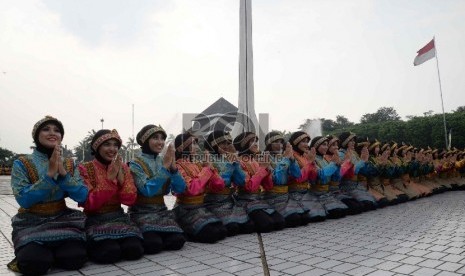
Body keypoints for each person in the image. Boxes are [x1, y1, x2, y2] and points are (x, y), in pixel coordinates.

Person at [8, 116, 88, 275]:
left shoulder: (70, 164)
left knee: (75, 258)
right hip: (31, 222)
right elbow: (23, 199)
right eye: (46, 129)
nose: (52, 133)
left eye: (57, 130)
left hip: (63, 220)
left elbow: (82, 196)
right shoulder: (22, 163)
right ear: (36, 135)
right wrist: (50, 175)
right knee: (34, 263)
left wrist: (64, 174)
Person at [79, 129, 143, 264]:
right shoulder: (85, 168)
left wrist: (121, 182)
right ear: (97, 147)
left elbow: (130, 200)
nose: (112, 149)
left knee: (134, 250)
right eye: (107, 144)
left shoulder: (123, 168)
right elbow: (89, 204)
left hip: (119, 217)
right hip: (95, 219)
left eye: (115, 145)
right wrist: (108, 181)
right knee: (110, 252)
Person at [128, 125, 186, 253]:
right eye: (155, 138)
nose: (160, 142)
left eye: (162, 138)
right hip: (141, 213)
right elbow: (147, 191)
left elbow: (180, 189)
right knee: (153, 244)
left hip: (161, 212)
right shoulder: (135, 164)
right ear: (144, 141)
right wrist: (165, 168)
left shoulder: (163, 161)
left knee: (177, 241)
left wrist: (174, 169)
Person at [173, 132, 227, 243]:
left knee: (222, 231)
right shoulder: (178, 166)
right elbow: (192, 189)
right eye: (193, 144)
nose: (197, 147)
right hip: (186, 209)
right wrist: (207, 169)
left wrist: (210, 169)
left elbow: (219, 186)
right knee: (212, 235)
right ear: (183, 147)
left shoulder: (197, 165)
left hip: (200, 208)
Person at [204, 131, 255, 236]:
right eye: (223, 143)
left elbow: (241, 181)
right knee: (233, 228)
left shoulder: (228, 159)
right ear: (214, 144)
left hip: (229, 201)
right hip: (213, 202)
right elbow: (219, 183)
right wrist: (230, 166)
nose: (227, 146)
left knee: (250, 226)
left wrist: (236, 164)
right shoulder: (208, 161)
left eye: (228, 143)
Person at [233, 132, 285, 232]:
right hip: (245, 200)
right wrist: (262, 169)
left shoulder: (256, 161)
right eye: (251, 141)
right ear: (244, 144)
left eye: (256, 141)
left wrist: (267, 171)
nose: (255, 144)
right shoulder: (239, 162)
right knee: (267, 225)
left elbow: (268, 186)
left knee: (280, 222)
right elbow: (249, 187)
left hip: (259, 199)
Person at [262, 131, 306, 227]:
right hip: (272, 197)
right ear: (269, 144)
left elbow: (297, 175)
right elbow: (276, 179)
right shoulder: (264, 157)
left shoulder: (283, 156)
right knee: (294, 220)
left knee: (305, 218)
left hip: (286, 196)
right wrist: (285, 159)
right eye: (276, 142)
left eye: (281, 142)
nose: (280, 145)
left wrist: (292, 160)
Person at [288, 131, 326, 222]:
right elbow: (298, 178)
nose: (306, 144)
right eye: (303, 141)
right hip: (294, 193)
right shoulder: (290, 156)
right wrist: (310, 163)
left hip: (306, 192)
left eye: (307, 142)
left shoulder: (305, 156)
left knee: (321, 215)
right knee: (302, 219)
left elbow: (312, 178)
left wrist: (313, 164)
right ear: (296, 143)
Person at [310, 135, 349, 218]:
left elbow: (336, 179)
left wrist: (338, 167)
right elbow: (320, 175)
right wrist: (334, 164)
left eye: (327, 145)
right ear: (316, 146)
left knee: (346, 210)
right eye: (323, 144)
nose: (326, 147)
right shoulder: (313, 159)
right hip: (317, 193)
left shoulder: (325, 159)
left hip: (328, 193)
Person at [338, 132, 377, 211]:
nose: (353, 143)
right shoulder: (341, 154)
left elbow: (363, 171)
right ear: (345, 142)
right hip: (346, 186)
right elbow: (349, 172)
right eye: (351, 141)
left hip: (357, 185)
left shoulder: (353, 153)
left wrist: (366, 162)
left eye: (354, 141)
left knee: (374, 203)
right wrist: (362, 161)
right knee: (364, 205)